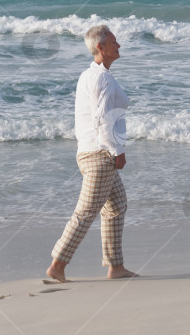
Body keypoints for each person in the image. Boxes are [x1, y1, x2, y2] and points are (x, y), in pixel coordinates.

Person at [47, 25, 138, 281]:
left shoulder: (91, 75)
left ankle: (116, 267)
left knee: (117, 205)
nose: (118, 45)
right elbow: (103, 120)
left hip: (93, 152)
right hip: (100, 154)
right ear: (101, 47)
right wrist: (117, 151)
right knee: (86, 212)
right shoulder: (101, 78)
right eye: (114, 42)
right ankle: (58, 265)